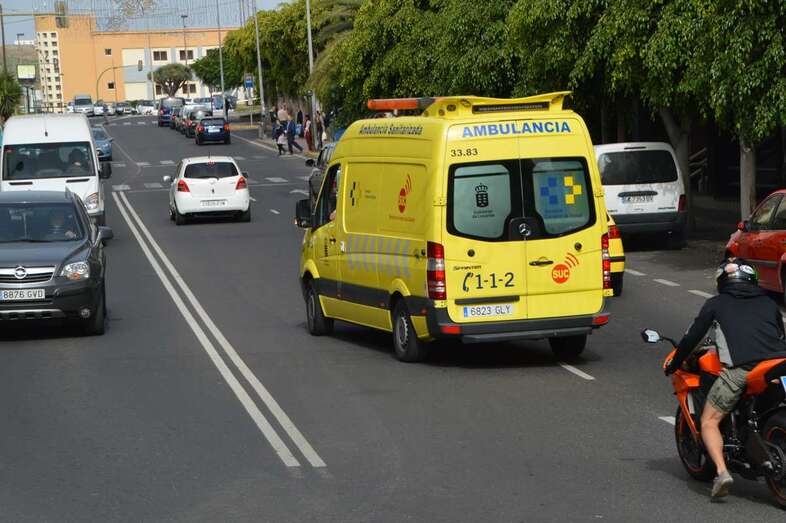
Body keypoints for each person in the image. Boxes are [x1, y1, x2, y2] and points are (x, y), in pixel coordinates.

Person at [665, 258, 786, 499]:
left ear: (722, 282)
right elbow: (780, 334)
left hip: (744, 368)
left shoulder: (716, 304)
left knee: (709, 421)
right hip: (779, 363)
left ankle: (721, 473)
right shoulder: (768, 302)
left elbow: (692, 337)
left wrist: (674, 363)